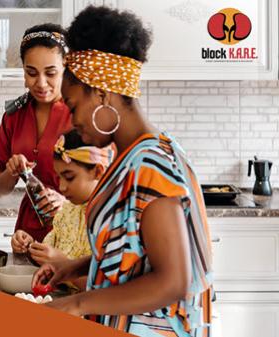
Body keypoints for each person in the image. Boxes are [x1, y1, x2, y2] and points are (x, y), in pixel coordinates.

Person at [32, 6, 213, 337]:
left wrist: (78, 303)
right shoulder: (134, 155)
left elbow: (172, 281)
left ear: (102, 93)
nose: (73, 121)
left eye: (73, 106)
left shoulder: (150, 165)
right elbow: (135, 253)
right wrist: (77, 266)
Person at [0, 23, 73, 250]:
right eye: (31, 72)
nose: (41, 83)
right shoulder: (14, 116)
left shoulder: (80, 115)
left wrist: (66, 205)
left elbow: (104, 185)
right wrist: (11, 171)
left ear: (67, 68)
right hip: (28, 235)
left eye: (51, 73)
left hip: (74, 233)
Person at [28, 130, 113, 272]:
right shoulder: (67, 212)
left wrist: (64, 265)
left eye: (69, 177)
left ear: (98, 171)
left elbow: (109, 288)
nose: (61, 187)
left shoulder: (113, 219)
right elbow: (48, 256)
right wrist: (30, 246)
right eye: (59, 177)